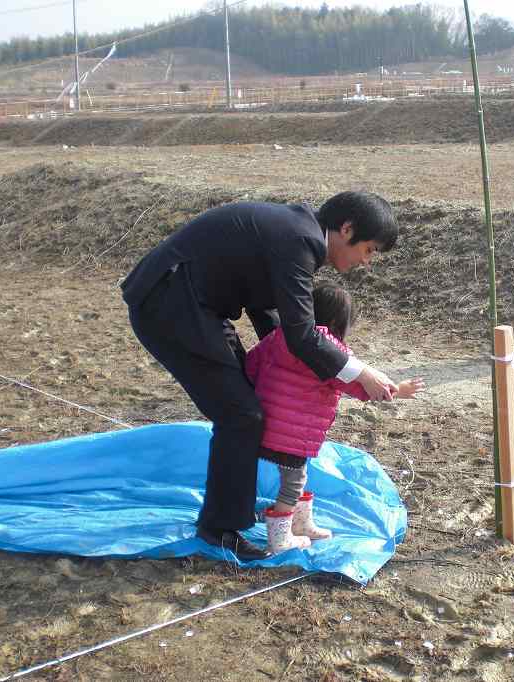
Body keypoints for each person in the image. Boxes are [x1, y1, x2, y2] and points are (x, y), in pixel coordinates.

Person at [122, 192, 400, 560]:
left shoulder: (298, 235)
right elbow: (301, 334)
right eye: (369, 250)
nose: (367, 262)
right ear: (346, 228)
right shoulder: (301, 241)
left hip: (194, 304)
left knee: (249, 398)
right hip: (170, 302)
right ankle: (220, 527)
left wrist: (283, 365)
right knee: (241, 411)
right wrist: (361, 372)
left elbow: (270, 313)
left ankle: (231, 508)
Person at [247, 284, 424, 554]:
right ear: (336, 322)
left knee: (296, 476)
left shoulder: (281, 336)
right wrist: (398, 391)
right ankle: (279, 538)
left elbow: (252, 363)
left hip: (269, 423)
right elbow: (359, 385)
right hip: (295, 433)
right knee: (293, 482)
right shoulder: (330, 350)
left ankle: (301, 523)